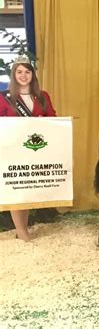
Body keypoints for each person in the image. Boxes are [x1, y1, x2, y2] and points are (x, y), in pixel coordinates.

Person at [0, 55, 57, 241]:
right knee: (17, 189)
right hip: (12, 150)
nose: (23, 75)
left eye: (27, 72)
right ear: (13, 74)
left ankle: (21, 229)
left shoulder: (42, 96)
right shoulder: (4, 98)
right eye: (19, 72)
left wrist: (44, 122)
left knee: (27, 190)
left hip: (35, 150)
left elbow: (54, 118)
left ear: (32, 75)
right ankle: (23, 232)